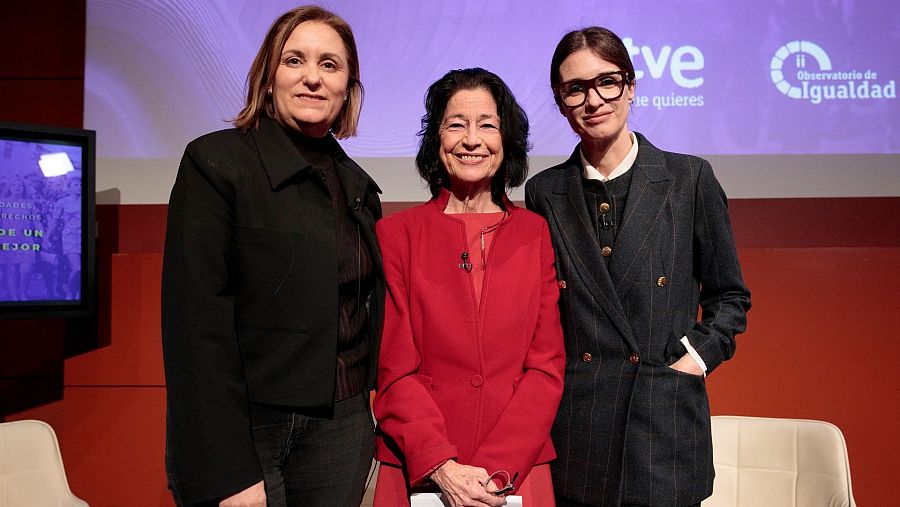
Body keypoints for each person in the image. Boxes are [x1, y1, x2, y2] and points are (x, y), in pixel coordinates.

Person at [161, 6, 383, 506]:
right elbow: (196, 330)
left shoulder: (359, 188)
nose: (312, 78)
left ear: (348, 87)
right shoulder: (216, 164)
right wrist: (227, 472)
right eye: (294, 61)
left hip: (340, 427)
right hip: (245, 428)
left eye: (330, 65)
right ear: (268, 76)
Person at [525, 27, 752, 507]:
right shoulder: (545, 192)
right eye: (575, 89)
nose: (594, 100)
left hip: (663, 421)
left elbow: (730, 297)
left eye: (607, 81)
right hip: (579, 428)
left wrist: (694, 361)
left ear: (630, 86)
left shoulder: (689, 178)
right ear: (561, 102)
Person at [372, 68, 566, 507]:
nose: (471, 140)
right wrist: (442, 464)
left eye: (487, 125)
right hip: (419, 466)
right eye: (456, 124)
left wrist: (498, 469)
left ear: (507, 139)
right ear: (435, 139)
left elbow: (546, 367)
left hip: (517, 469)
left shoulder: (535, 233)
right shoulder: (397, 234)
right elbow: (393, 369)